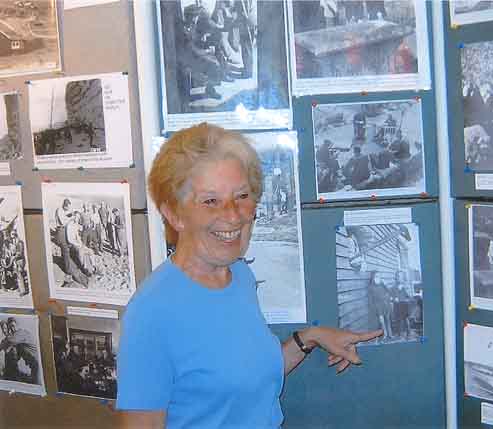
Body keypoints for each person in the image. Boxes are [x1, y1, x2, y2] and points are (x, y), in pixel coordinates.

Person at [116, 123, 381, 428]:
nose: (232, 214)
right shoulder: (151, 313)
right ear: (174, 214)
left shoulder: (238, 275)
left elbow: (250, 377)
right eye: (211, 200)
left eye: (241, 195)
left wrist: (309, 338)